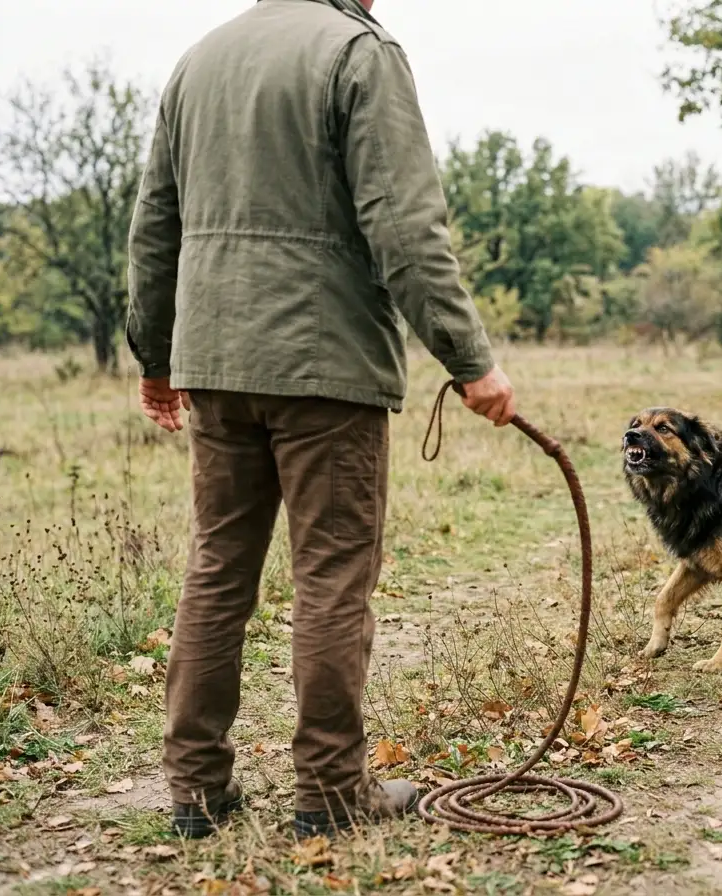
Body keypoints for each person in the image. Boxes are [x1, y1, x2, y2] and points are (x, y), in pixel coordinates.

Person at [124, 0, 514, 840]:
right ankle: (332, 793)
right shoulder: (359, 52)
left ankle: (194, 790)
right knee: (333, 578)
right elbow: (406, 227)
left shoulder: (201, 58)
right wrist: (469, 358)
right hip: (324, 368)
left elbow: (154, 225)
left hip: (216, 363)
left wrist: (155, 356)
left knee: (217, 571)